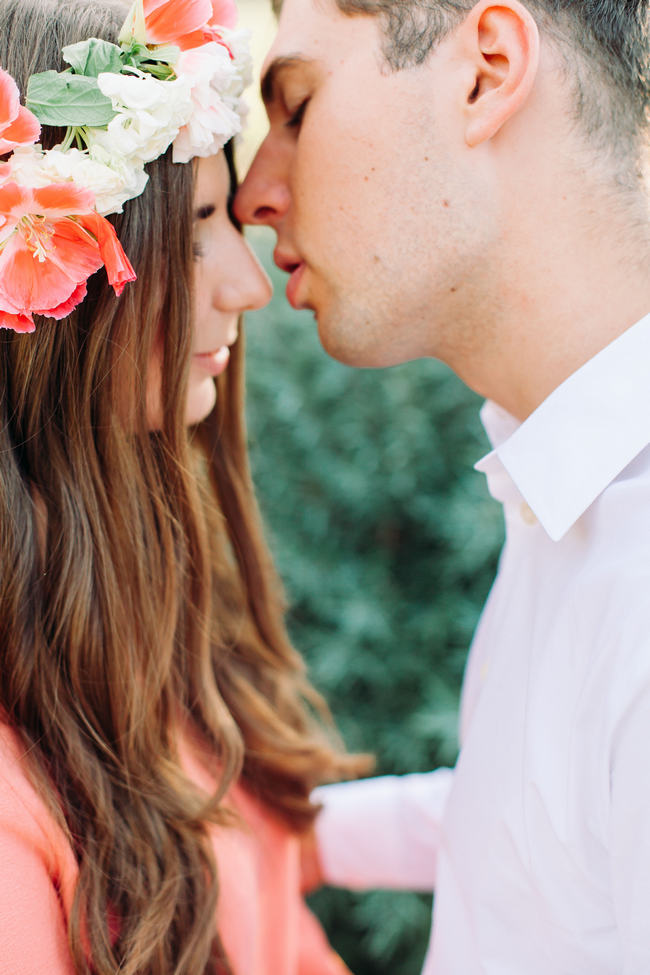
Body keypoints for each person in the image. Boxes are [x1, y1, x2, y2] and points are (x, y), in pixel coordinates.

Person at [234, 0, 650, 971]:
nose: (256, 191)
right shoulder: (572, 489)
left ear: (483, 71)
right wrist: (292, 829)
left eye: (295, 106)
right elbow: (527, 823)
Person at [0, 0, 366, 972]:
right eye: (195, 227)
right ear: (51, 268)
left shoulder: (160, 615)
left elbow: (280, 938)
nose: (247, 286)